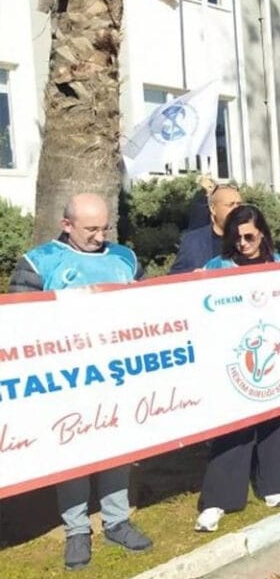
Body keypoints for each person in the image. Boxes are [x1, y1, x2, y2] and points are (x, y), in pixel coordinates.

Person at [8, 193, 153, 570]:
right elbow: (20, 324)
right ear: (66, 224)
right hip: (67, 381)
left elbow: (151, 306)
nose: (99, 236)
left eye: (104, 227)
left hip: (119, 376)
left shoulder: (125, 258)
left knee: (117, 449)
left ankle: (116, 520)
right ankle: (76, 530)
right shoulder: (38, 263)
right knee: (73, 453)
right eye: (90, 229)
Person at [196, 205, 280, 532]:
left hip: (273, 354)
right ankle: (218, 500)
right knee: (232, 427)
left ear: (262, 232)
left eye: (249, 236)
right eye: (236, 237)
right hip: (231, 360)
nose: (243, 243)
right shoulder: (217, 266)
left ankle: (273, 483)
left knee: (274, 420)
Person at [170, 184, 243, 274]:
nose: (236, 209)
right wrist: (193, 275)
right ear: (213, 208)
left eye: (239, 204)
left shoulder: (252, 237)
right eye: (230, 205)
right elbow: (174, 277)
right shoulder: (193, 241)